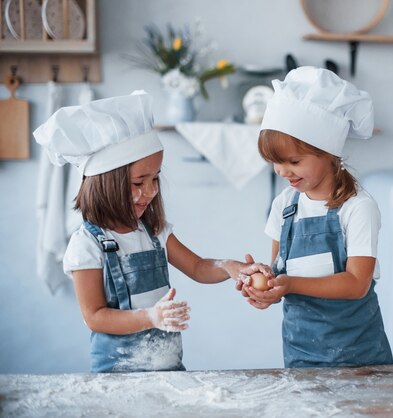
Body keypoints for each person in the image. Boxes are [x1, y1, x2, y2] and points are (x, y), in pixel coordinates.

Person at [34, 92, 257, 373]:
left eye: (155, 179)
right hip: (117, 376)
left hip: (169, 370)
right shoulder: (87, 245)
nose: (150, 191)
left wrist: (230, 267)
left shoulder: (154, 232)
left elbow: (199, 267)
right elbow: (95, 316)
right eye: (138, 182)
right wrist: (151, 317)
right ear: (106, 184)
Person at [240, 67, 393, 368]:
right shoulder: (285, 205)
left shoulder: (358, 207)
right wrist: (263, 287)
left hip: (358, 360)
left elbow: (356, 283)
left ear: (328, 153)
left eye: (294, 161)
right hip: (301, 357)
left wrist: (290, 285)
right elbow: (277, 271)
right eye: (275, 162)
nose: (283, 171)